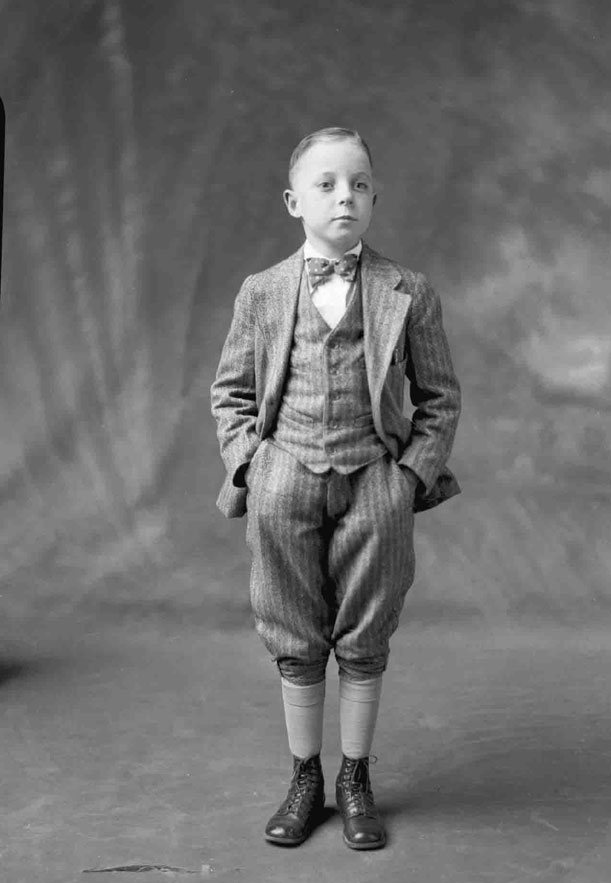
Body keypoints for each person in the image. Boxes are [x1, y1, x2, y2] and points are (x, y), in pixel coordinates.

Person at [211, 127, 461, 850]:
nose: (343, 197)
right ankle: (305, 777)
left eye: (357, 184)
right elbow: (230, 392)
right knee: (292, 627)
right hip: (285, 478)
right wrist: (255, 467)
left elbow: (440, 397)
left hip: (373, 480)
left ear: (375, 197)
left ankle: (355, 777)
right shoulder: (261, 291)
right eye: (325, 185)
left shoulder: (406, 291)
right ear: (294, 201)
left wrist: (408, 476)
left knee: (366, 630)